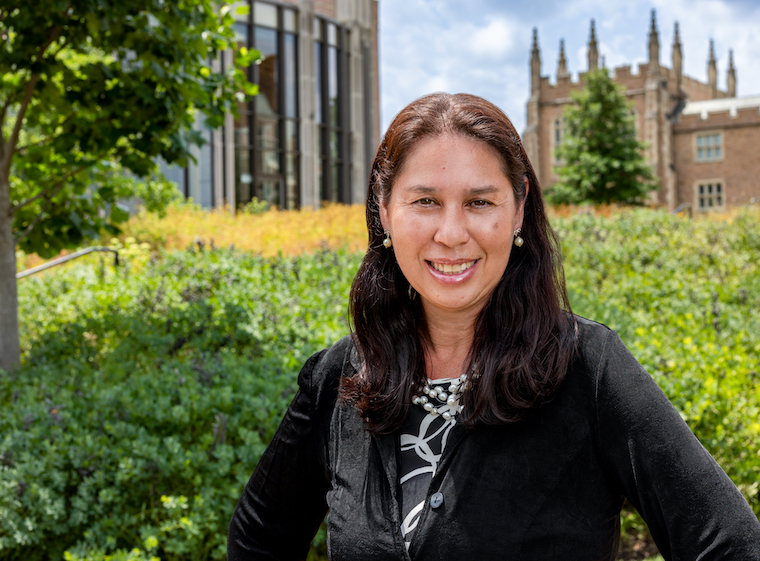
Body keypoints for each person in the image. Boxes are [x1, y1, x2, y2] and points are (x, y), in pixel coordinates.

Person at [228, 93, 760, 560]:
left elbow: (730, 544)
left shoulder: (588, 369)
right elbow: (257, 540)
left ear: (519, 209)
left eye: (480, 202)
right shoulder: (337, 377)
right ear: (384, 211)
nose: (452, 232)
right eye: (425, 201)